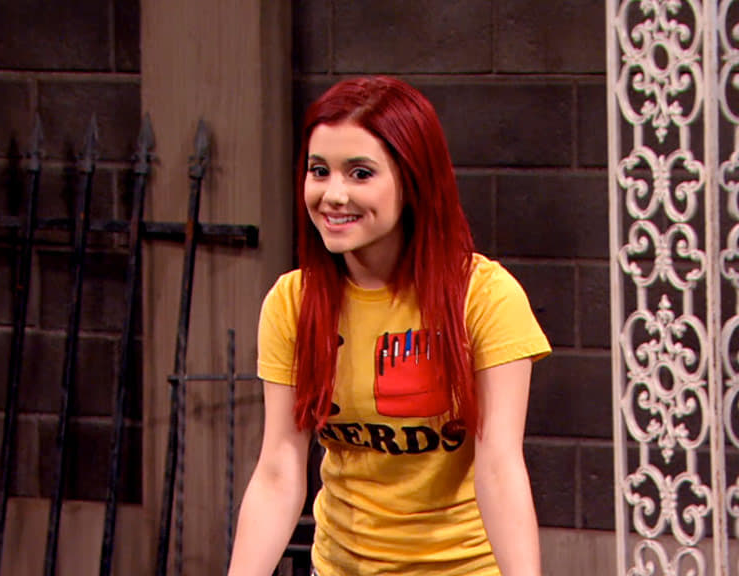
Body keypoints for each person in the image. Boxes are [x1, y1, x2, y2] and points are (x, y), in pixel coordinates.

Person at [227, 76, 550, 576]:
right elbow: (278, 470)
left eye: (360, 173)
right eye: (319, 171)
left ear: (413, 180)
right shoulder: (293, 302)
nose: (333, 195)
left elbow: (499, 470)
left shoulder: (486, 297)